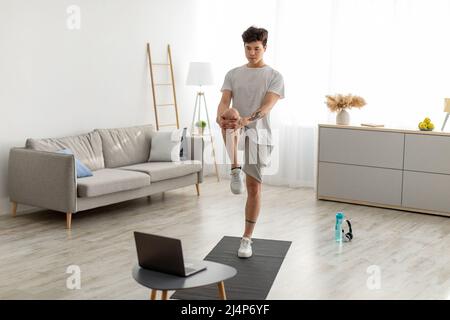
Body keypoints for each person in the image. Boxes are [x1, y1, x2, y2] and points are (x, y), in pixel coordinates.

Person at [216, 26, 285, 258]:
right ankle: (235, 168)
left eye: (257, 48)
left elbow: (266, 108)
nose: (252, 53)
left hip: (259, 133)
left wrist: (245, 121)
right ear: (244, 47)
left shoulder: (274, 76)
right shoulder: (233, 73)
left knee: (254, 186)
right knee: (230, 113)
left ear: (265, 48)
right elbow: (224, 101)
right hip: (236, 126)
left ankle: (246, 238)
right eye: (248, 48)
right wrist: (221, 117)